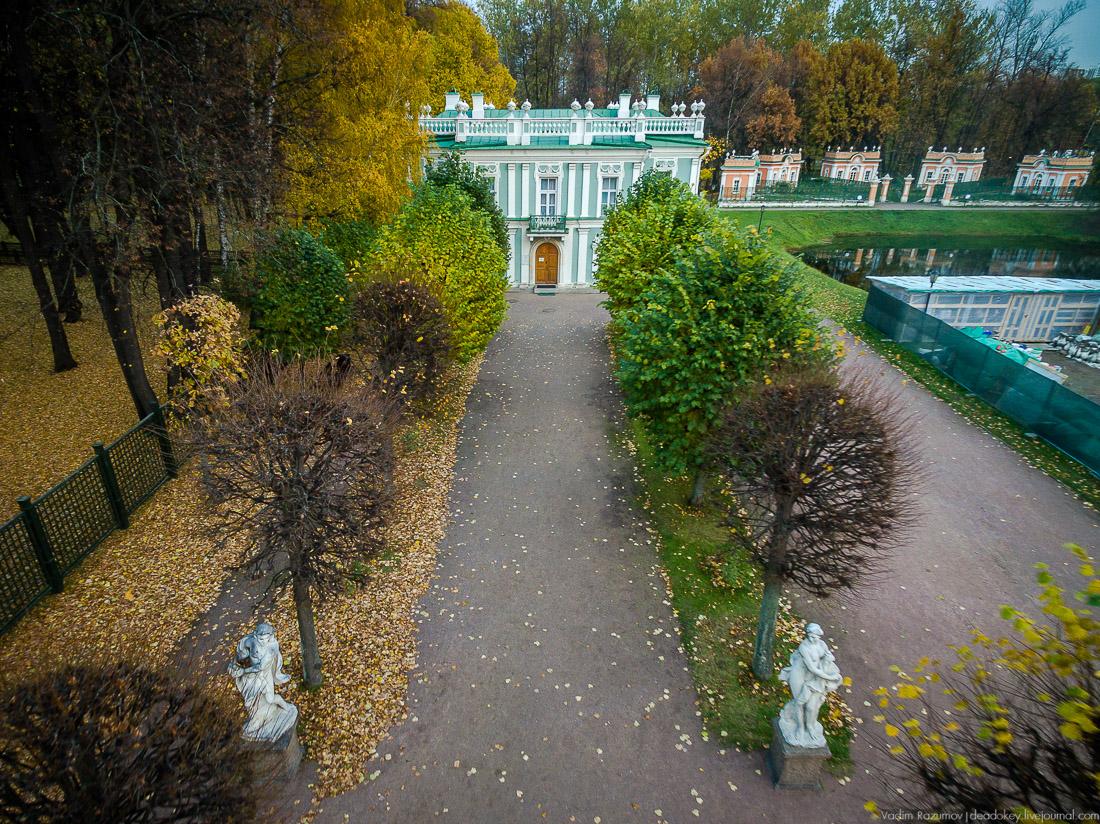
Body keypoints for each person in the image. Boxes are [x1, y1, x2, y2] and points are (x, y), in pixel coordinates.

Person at [228, 622, 298, 742]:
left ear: (270, 637)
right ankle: (256, 719)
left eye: (266, 639)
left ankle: (284, 707)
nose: (263, 642)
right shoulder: (252, 641)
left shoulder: (271, 648)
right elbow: (242, 646)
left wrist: (243, 671)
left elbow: (260, 667)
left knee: (270, 699)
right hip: (251, 676)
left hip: (263, 676)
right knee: (250, 698)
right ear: (256, 636)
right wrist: (238, 661)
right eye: (260, 639)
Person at [777, 623, 842, 748]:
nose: (812, 639)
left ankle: (810, 726)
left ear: (819, 635)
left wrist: (829, 660)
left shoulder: (822, 645)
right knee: (799, 703)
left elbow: (829, 656)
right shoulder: (804, 647)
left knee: (812, 707)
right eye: (810, 636)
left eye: (814, 636)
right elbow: (812, 668)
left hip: (814, 678)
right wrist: (829, 677)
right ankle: (800, 728)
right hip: (799, 675)